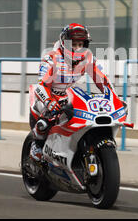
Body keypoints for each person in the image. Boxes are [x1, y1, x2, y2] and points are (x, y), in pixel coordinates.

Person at [29, 23, 117, 162]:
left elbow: (102, 80)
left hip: (68, 96)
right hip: (47, 95)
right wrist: (49, 102)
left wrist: (114, 98)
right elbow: (41, 86)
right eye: (73, 44)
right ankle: (36, 146)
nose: (77, 48)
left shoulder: (87, 59)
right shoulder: (51, 58)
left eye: (80, 44)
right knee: (47, 119)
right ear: (64, 43)